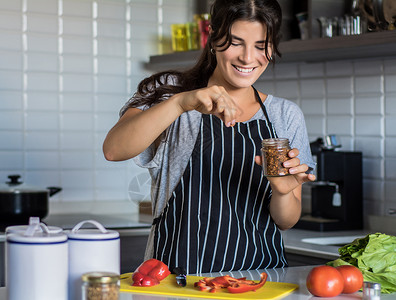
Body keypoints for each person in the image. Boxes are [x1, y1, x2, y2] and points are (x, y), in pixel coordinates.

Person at [103, 0, 316, 274]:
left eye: (261, 46)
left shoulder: (285, 114)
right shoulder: (169, 94)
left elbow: (286, 220)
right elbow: (114, 149)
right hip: (176, 276)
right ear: (213, 36)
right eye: (236, 42)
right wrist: (181, 103)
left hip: (260, 279)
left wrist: (282, 191)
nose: (248, 58)